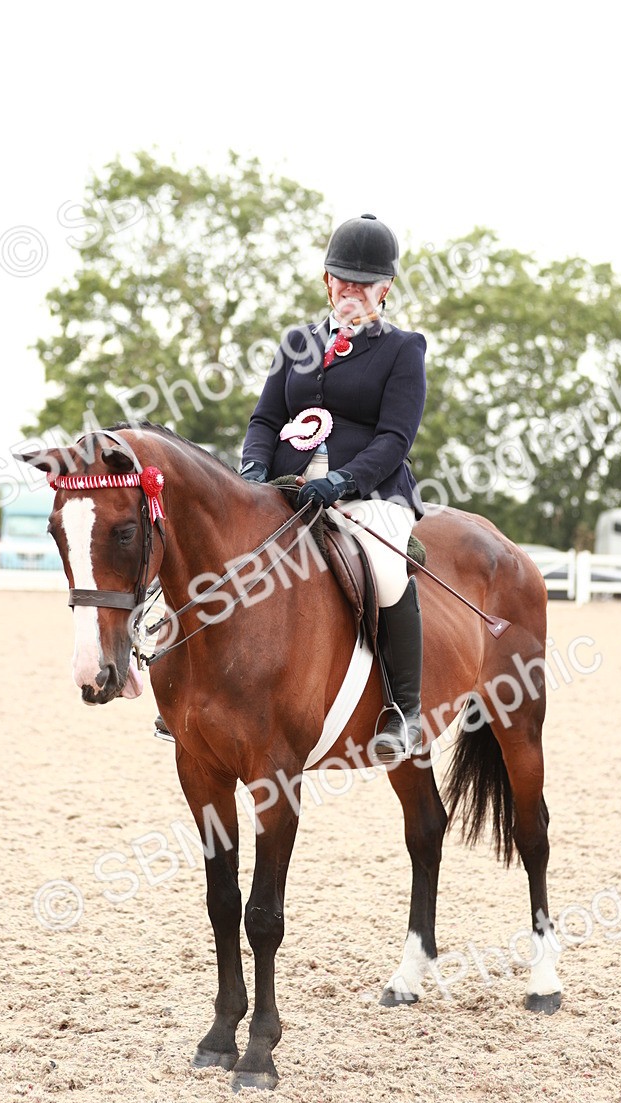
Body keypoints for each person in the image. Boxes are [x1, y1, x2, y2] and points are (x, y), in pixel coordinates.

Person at [239, 214, 427, 761]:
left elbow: (395, 438)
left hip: (370, 493)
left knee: (386, 572)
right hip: (285, 485)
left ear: (385, 288)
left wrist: (343, 480)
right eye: (343, 279)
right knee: (223, 551)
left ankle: (406, 712)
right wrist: (253, 472)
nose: (352, 290)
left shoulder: (402, 349)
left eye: (365, 283)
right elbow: (264, 419)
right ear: (327, 280)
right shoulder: (297, 341)